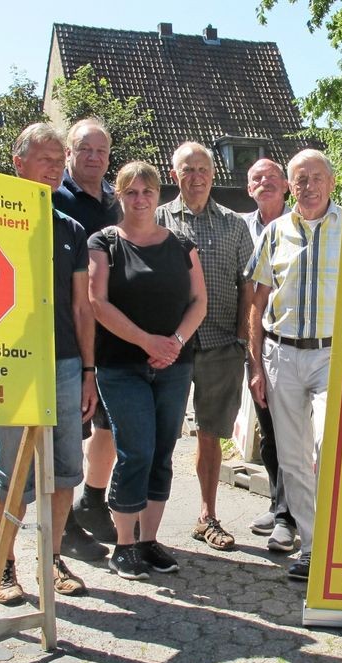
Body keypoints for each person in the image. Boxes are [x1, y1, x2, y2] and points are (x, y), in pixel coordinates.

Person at [0, 123, 98, 605]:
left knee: (64, 470)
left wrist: (89, 371)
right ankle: (6, 565)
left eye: (60, 160)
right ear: (19, 163)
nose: (56, 168)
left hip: (65, 363)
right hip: (8, 364)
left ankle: (51, 559)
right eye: (46, 159)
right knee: (12, 472)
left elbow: (82, 306)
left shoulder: (71, 228)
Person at [89, 161, 207, 580]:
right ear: (119, 196)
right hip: (122, 366)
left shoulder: (182, 245)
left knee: (161, 453)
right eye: (131, 192)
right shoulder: (104, 242)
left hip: (174, 365)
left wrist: (173, 343)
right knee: (135, 451)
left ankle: (148, 540)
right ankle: (123, 545)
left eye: (147, 192)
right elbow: (98, 304)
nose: (140, 200)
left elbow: (199, 302)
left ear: (159, 196)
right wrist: (147, 342)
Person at [247, 149, 342, 580]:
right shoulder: (275, 232)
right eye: (300, 179)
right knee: (292, 456)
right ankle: (312, 548)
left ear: (332, 181)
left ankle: (333, 539)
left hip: (332, 353)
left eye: (316, 177)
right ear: (290, 184)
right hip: (282, 353)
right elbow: (257, 301)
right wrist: (255, 364)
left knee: (329, 444)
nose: (309, 186)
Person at [155, 142, 253, 552]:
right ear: (174, 175)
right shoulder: (157, 218)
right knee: (159, 435)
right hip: (169, 346)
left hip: (219, 345)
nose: (195, 177)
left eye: (202, 169)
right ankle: (144, 526)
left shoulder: (234, 225)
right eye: (187, 170)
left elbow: (247, 285)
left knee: (211, 435)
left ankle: (207, 515)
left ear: (214, 175)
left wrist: (243, 338)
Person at [53, 118, 123, 558]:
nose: (94, 157)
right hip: (74, 327)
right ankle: (65, 525)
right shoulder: (56, 200)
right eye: (85, 149)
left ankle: (93, 501)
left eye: (101, 150)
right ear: (69, 155)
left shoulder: (117, 202)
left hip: (114, 328)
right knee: (72, 429)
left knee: (110, 422)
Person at [241, 158, 297, 553]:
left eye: (273, 178)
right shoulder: (239, 228)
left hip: (294, 348)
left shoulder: (302, 226)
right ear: (249, 189)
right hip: (251, 342)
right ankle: (280, 505)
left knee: (295, 435)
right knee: (269, 433)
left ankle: (290, 516)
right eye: (257, 179)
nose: (266, 183)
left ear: (287, 187)